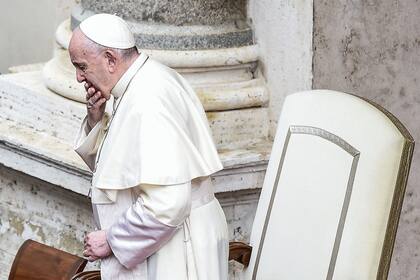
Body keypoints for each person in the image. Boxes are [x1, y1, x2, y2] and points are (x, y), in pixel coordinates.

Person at [70, 13, 229, 280]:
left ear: (110, 59)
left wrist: (112, 240)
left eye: (82, 66)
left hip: (177, 253)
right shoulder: (139, 84)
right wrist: (96, 118)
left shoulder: (148, 100)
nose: (78, 77)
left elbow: (169, 204)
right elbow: (117, 170)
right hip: (165, 245)